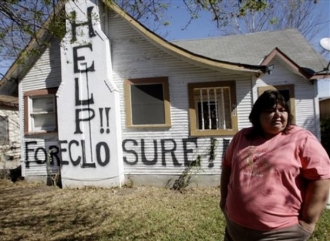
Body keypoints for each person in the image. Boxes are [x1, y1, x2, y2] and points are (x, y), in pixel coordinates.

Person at [220, 90, 330, 241]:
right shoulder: (242, 136)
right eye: (270, 111)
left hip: (280, 233)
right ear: (257, 115)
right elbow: (227, 166)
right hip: (235, 227)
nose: (278, 115)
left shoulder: (302, 139)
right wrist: (224, 200)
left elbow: (321, 178)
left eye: (282, 110)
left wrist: (309, 221)